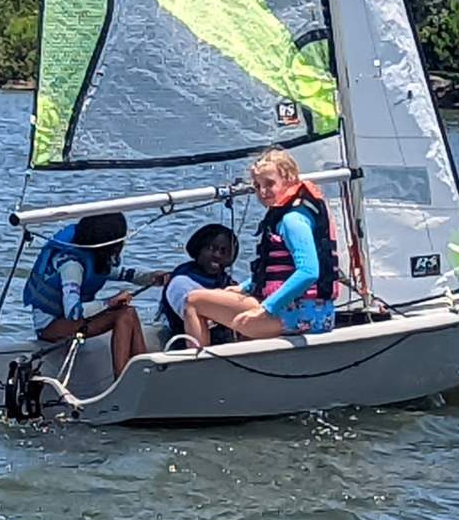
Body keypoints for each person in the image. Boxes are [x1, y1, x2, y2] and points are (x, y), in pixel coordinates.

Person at [181, 148, 340, 348]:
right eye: (257, 186)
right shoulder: (295, 213)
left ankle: (197, 369)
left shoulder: (292, 220)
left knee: (193, 301)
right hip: (314, 312)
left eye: (269, 184)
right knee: (234, 305)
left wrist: (266, 308)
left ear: (289, 179)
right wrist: (245, 287)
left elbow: (308, 272)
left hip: (302, 314)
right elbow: (274, 269)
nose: (263, 192)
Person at [21, 212, 165, 377]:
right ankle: (122, 378)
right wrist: (110, 303)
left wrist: (152, 277)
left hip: (70, 320)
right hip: (50, 327)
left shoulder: (92, 256)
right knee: (123, 315)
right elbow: (73, 312)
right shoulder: (71, 266)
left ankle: (144, 374)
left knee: (129, 312)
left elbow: (125, 274)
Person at [157, 223, 239, 345]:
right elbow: (201, 319)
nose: (217, 255)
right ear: (199, 249)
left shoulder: (230, 284)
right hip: (185, 348)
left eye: (223, 251)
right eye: (211, 249)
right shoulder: (180, 282)